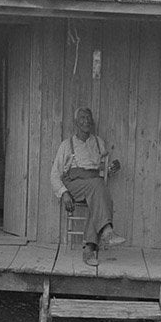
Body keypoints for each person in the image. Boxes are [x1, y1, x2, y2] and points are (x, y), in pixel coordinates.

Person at [50, 106, 124, 265]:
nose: (87, 121)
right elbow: (55, 174)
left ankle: (89, 250)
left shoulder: (98, 142)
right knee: (99, 189)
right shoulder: (66, 145)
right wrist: (64, 193)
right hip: (73, 185)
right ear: (76, 122)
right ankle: (106, 230)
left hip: (93, 185)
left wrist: (112, 168)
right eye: (83, 118)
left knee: (97, 196)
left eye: (89, 118)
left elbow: (103, 169)